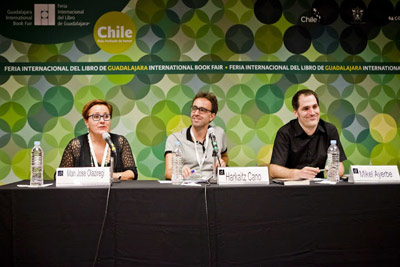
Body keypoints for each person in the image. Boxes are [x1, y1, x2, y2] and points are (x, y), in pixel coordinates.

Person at [270, 89, 346, 180]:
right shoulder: (285, 132)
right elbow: (273, 170)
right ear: (296, 113)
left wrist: (333, 170)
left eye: (315, 107)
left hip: (320, 188)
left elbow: (340, 168)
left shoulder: (330, 130)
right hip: (291, 188)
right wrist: (298, 173)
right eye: (306, 108)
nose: (312, 113)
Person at [58, 99, 138, 180]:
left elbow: (132, 173)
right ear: (86, 122)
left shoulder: (120, 141)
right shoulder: (76, 145)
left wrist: (110, 176)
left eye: (106, 116)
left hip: (114, 192)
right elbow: (59, 175)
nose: (102, 121)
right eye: (96, 117)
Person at [165, 92, 228, 180]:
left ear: (212, 116)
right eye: (194, 108)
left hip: (214, 186)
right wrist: (179, 171)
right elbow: (168, 172)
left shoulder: (218, 133)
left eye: (202, 110)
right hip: (188, 188)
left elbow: (224, 156)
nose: (196, 113)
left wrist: (222, 163)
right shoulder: (175, 138)